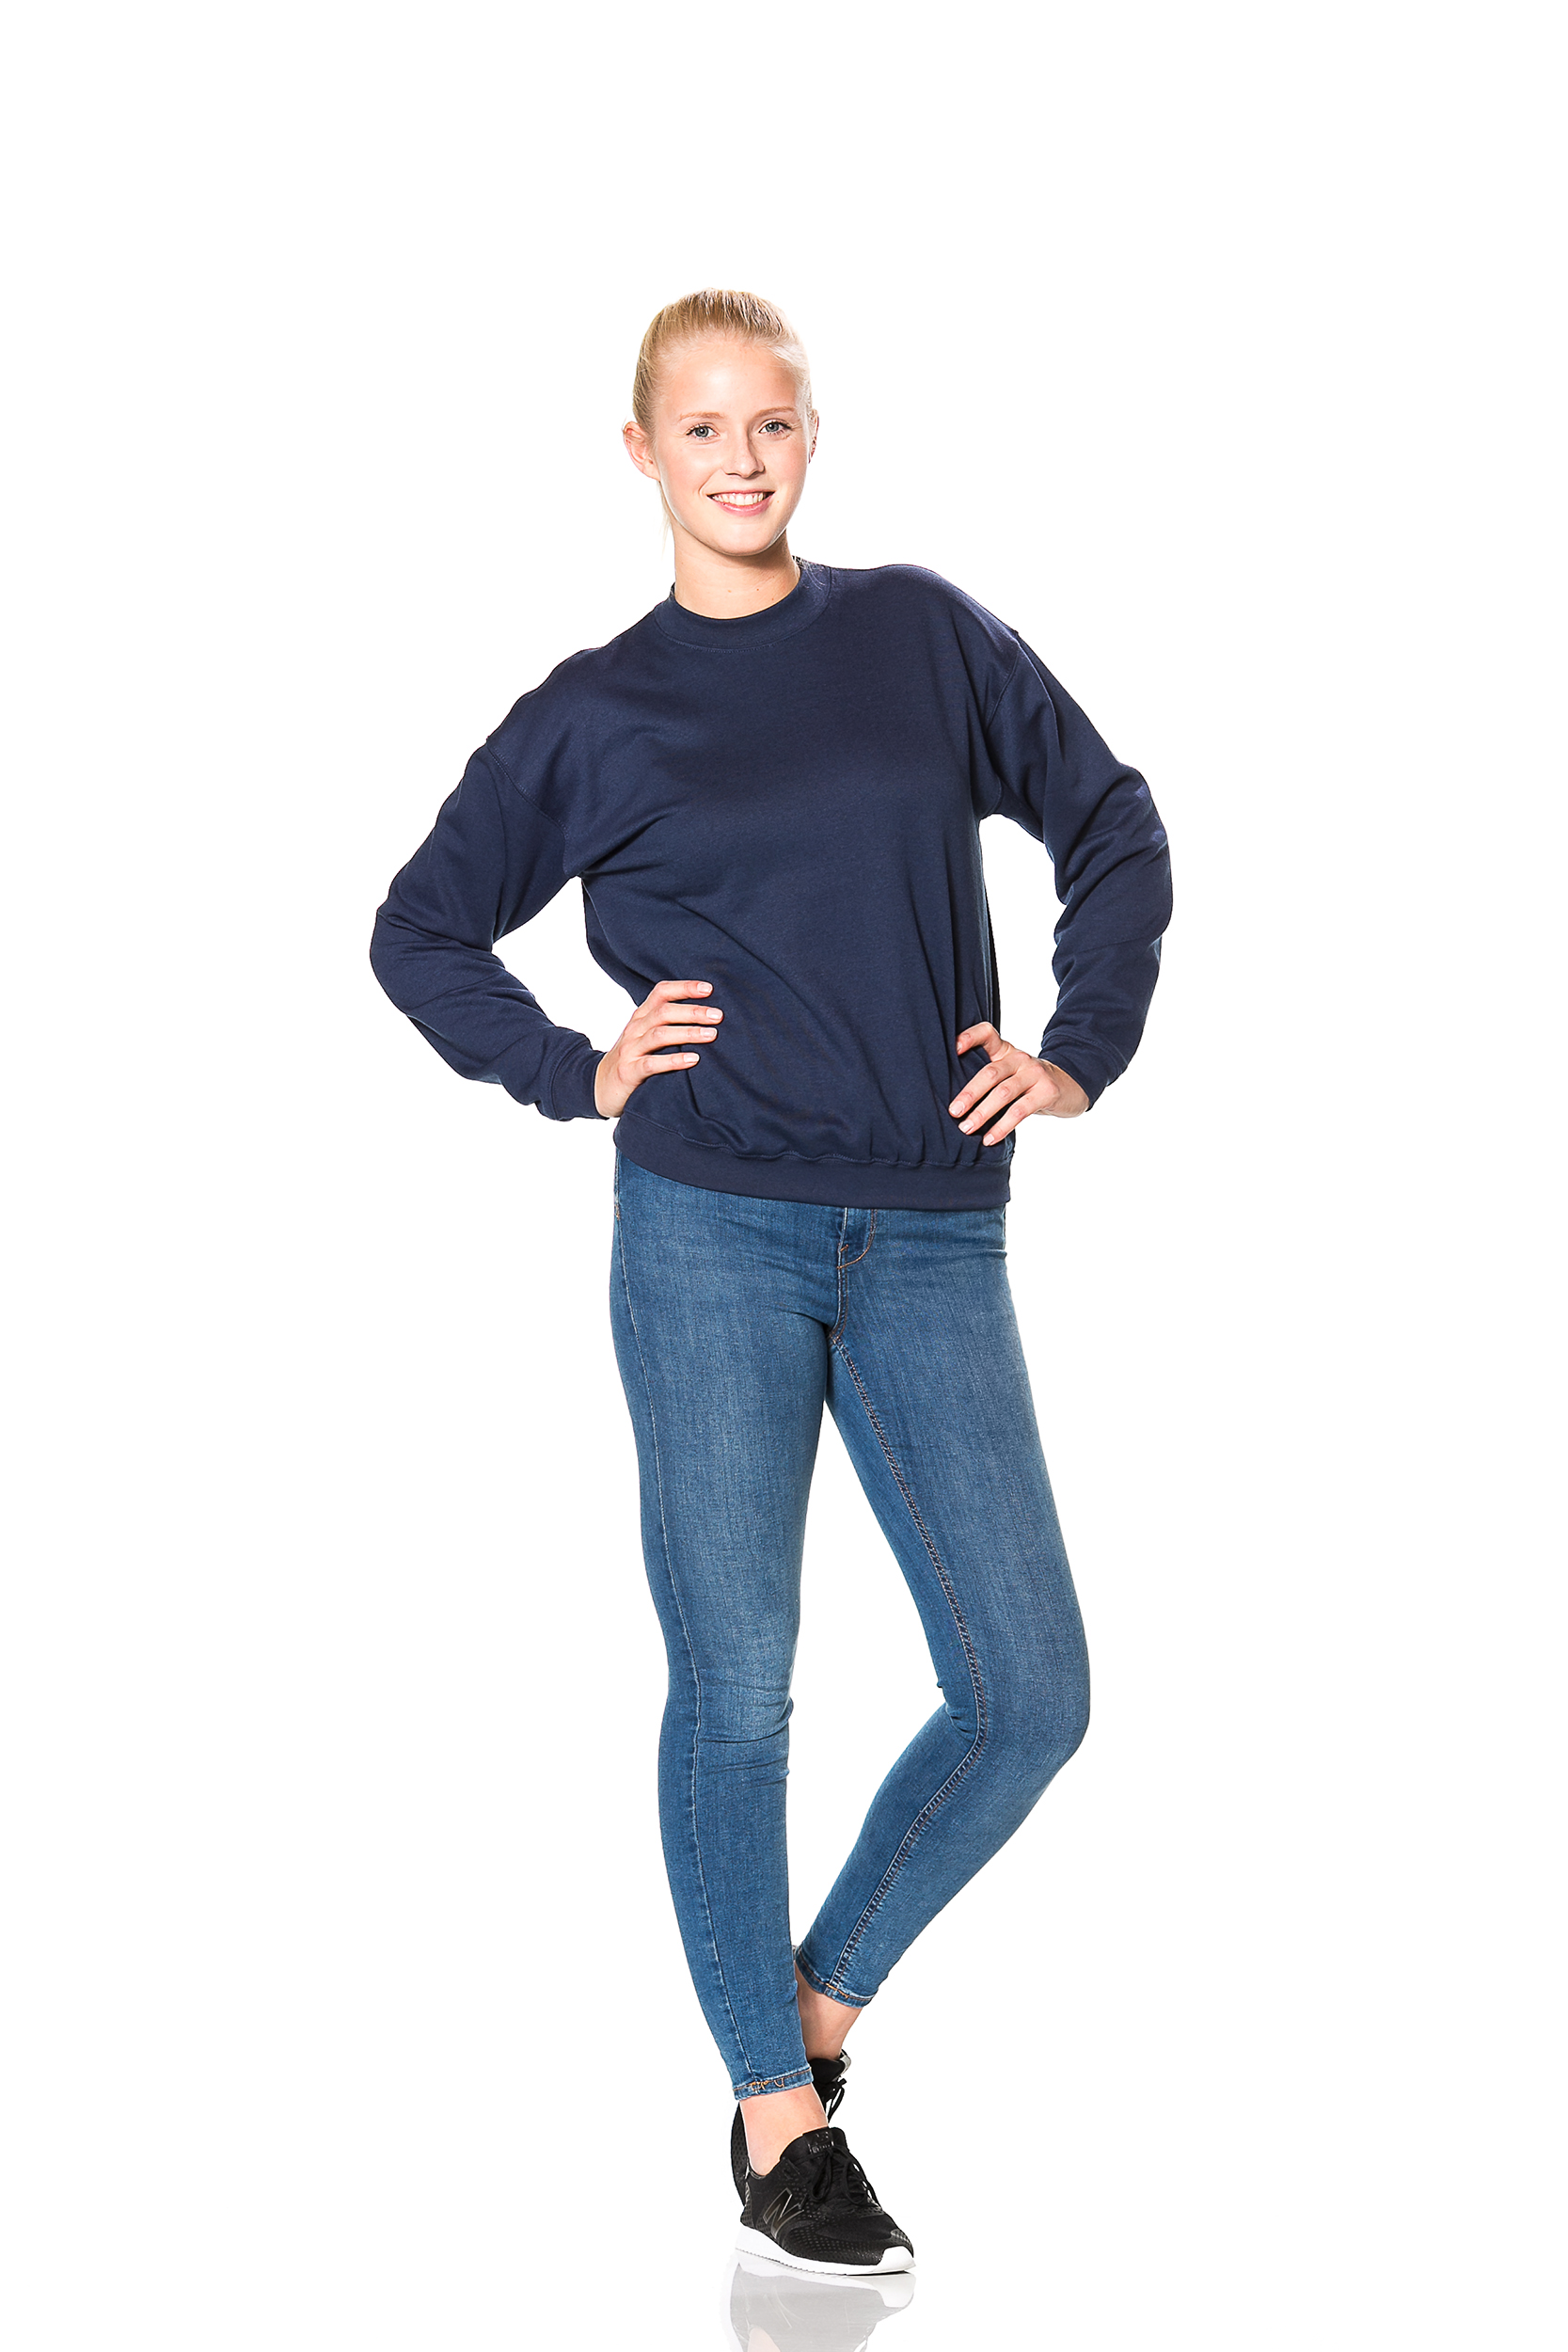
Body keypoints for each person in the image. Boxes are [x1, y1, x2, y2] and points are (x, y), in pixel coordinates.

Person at [370, 288, 1171, 2278]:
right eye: (705, 427)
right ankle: (774, 2118)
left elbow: (1111, 821)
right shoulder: (594, 711)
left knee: (1031, 1691)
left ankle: (805, 2009)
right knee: (737, 1684)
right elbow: (421, 929)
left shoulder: (919, 636)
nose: (743, 458)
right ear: (641, 453)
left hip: (933, 1225)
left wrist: (1083, 1045)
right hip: (707, 1229)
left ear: (814, 438)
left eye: (775, 423)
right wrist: (572, 1068)